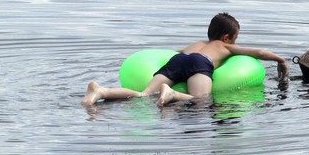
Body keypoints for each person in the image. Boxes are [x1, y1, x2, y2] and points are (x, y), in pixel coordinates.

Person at [82, 12, 288, 107]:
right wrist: (281, 61)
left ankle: (101, 91)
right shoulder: (225, 46)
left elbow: (173, 52)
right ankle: (171, 94)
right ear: (227, 37)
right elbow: (259, 53)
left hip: (177, 60)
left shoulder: (196, 43)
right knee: (202, 99)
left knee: (143, 95)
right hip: (199, 63)